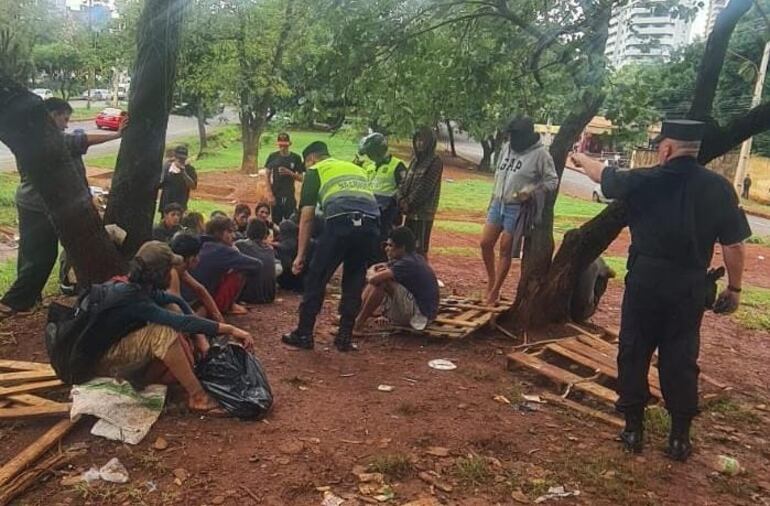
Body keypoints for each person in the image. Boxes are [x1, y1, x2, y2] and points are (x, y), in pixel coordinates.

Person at [571, 119, 751, 462]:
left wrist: (580, 159)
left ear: (666, 149)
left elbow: (602, 176)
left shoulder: (646, 179)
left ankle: (633, 429)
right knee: (681, 357)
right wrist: (736, 288)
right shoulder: (719, 188)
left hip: (646, 281)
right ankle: (679, 438)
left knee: (634, 350)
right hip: (689, 285)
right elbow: (735, 245)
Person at [89, 241, 253, 415]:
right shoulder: (132, 297)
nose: (172, 272)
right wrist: (230, 329)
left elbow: (175, 302)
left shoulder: (139, 287)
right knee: (162, 333)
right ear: (159, 272)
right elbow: (181, 322)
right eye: (169, 268)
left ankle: (170, 379)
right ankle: (199, 398)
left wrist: (201, 339)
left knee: (171, 310)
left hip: (116, 349)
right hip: (102, 360)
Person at [0, 98, 127, 317]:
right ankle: (11, 303)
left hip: (31, 202)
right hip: (39, 204)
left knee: (30, 253)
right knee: (43, 255)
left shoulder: (34, 136)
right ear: (51, 115)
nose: (66, 124)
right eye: (64, 119)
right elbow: (77, 141)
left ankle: (29, 299)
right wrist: (116, 135)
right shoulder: (46, 139)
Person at [282, 141, 380, 352]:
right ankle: (344, 337)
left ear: (311, 159)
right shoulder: (355, 168)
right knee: (354, 278)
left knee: (317, 276)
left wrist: (300, 255)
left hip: (341, 222)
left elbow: (306, 218)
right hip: (371, 223)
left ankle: (304, 333)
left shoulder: (315, 171)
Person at [480, 117, 558, 305]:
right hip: (499, 202)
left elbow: (552, 181)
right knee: (485, 243)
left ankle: (495, 290)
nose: (512, 139)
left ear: (525, 136)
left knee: (505, 248)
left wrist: (531, 191)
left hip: (518, 207)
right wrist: (492, 201)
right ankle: (491, 279)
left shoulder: (541, 155)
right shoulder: (506, 148)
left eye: (515, 135)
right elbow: (499, 175)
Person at [354, 227, 439, 334]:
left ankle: (357, 324)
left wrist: (372, 273)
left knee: (382, 282)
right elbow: (379, 267)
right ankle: (354, 317)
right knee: (381, 278)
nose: (386, 249)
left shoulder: (407, 263)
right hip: (420, 312)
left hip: (419, 317)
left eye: (391, 245)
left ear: (402, 247)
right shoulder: (412, 258)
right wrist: (375, 271)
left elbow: (374, 279)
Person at [184, 216, 262, 315]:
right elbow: (257, 265)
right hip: (199, 301)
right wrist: (235, 252)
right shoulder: (222, 250)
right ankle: (226, 307)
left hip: (182, 298)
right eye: (229, 232)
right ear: (218, 232)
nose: (233, 236)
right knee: (240, 271)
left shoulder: (199, 243)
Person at [357, 132, 407, 262]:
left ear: (378, 151)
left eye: (371, 153)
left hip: (387, 213)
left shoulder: (397, 166)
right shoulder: (370, 167)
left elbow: (404, 188)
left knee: (381, 247)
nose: (369, 157)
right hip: (369, 210)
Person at [397, 127, 444, 258]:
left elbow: (425, 188)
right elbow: (404, 182)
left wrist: (409, 203)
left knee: (420, 249)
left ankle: (422, 275)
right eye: (417, 140)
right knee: (407, 247)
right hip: (409, 212)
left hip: (423, 213)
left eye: (423, 140)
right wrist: (400, 199)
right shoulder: (414, 160)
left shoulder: (435, 162)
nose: (420, 143)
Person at [169, 233, 224, 324]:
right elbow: (176, 309)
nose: (199, 259)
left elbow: (200, 290)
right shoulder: (172, 271)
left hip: (175, 312)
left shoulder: (181, 268)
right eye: (197, 255)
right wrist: (201, 336)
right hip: (166, 318)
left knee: (203, 306)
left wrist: (220, 320)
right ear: (191, 259)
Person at [235, 219, 280, 304]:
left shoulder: (241, 245)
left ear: (248, 230)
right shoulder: (269, 249)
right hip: (269, 296)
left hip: (251, 297)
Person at [264, 132, 305, 223]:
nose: (282, 148)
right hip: (276, 194)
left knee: (291, 221)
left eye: (285, 145)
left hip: (289, 194)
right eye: (280, 145)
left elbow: (301, 178)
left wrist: (290, 173)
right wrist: (270, 194)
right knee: (276, 221)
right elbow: (267, 175)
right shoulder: (272, 157)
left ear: (289, 144)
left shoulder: (296, 158)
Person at [158, 146, 198, 213]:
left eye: (183, 158)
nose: (181, 160)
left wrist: (184, 173)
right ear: (175, 157)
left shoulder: (190, 169)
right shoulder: (167, 167)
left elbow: (193, 186)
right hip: (166, 205)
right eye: (179, 158)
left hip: (180, 206)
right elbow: (161, 183)